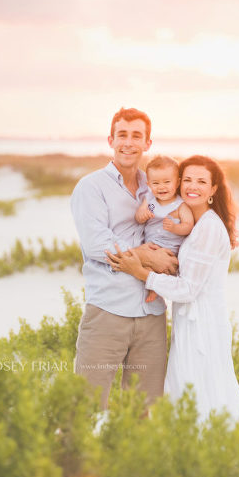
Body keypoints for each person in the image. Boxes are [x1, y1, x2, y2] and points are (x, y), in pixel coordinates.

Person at [107, 155, 239, 424]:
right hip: (189, 321)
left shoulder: (208, 227)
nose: (193, 186)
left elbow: (189, 289)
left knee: (205, 395)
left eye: (202, 181)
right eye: (189, 179)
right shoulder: (194, 225)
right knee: (191, 393)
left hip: (202, 325)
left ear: (213, 190)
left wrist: (141, 273)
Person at [70, 107, 178, 410]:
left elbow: (178, 227)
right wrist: (145, 255)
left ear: (147, 143)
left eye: (136, 136)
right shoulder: (91, 187)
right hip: (107, 311)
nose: (128, 143)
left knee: (144, 411)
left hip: (152, 312)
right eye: (122, 135)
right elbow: (96, 244)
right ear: (110, 140)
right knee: (86, 408)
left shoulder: (158, 185)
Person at [135, 155, 195, 303]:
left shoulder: (180, 205)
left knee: (163, 269)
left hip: (170, 248)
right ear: (148, 184)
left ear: (177, 182)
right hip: (150, 246)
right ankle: (151, 287)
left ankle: (155, 289)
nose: (161, 187)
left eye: (167, 182)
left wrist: (175, 227)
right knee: (143, 265)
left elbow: (188, 225)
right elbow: (138, 216)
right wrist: (142, 215)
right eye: (155, 183)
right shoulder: (149, 200)